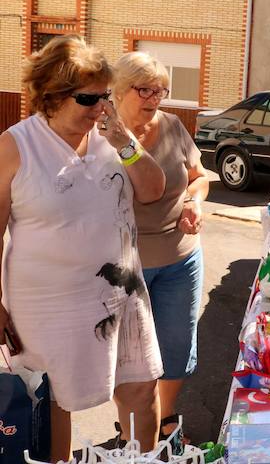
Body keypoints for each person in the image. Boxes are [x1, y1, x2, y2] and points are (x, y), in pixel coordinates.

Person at [0, 36, 165, 461]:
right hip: (48, 302)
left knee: (141, 387)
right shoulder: (16, 146)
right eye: (88, 98)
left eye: (104, 96)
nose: (100, 108)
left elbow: (152, 191)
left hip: (122, 291)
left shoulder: (112, 136)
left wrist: (125, 141)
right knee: (53, 402)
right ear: (52, 96)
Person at [111, 52, 209, 445]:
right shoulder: (100, 136)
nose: (154, 99)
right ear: (119, 90)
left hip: (180, 258)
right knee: (126, 354)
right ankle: (131, 429)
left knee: (176, 345)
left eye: (161, 91)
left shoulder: (171, 126)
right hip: (124, 265)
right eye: (145, 90)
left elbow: (199, 176)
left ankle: (166, 418)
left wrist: (193, 201)